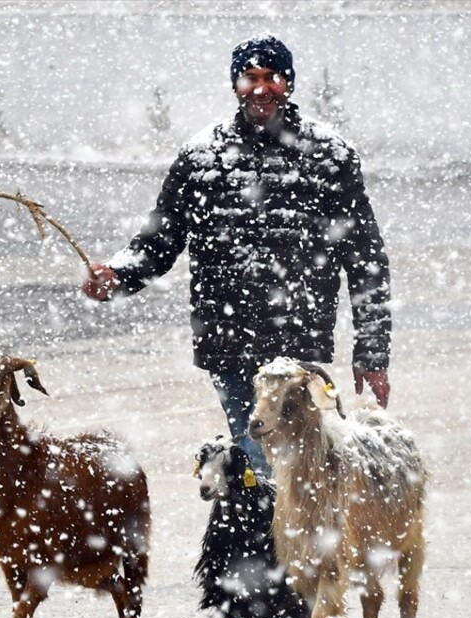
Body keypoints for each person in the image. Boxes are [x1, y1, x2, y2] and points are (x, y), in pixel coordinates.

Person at [82, 34, 392, 472]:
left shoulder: (328, 154)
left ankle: (285, 537)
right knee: (258, 461)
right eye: (251, 77)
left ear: (289, 83)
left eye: (273, 78)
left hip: (295, 343)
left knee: (294, 469)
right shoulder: (201, 156)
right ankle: (271, 536)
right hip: (227, 337)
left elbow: (365, 257)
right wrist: (116, 276)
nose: (262, 88)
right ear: (235, 84)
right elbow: (160, 241)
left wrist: (372, 354)